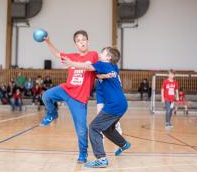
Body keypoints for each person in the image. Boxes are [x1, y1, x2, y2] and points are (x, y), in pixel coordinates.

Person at [64, 47, 131, 168]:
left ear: (108, 57)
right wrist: (101, 76)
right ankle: (124, 144)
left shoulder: (102, 64)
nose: (100, 54)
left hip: (114, 105)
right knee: (107, 129)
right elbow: (98, 75)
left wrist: (71, 63)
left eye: (103, 52)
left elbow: (89, 67)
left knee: (94, 127)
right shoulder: (113, 66)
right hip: (122, 104)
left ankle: (101, 158)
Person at [39, 30, 99, 163]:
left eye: (83, 39)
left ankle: (83, 154)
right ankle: (52, 114)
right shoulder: (71, 56)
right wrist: (48, 41)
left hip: (79, 98)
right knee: (46, 96)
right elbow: (56, 54)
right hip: (67, 89)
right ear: (75, 44)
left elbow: (90, 67)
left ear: (88, 42)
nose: (81, 42)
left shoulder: (93, 55)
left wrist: (72, 64)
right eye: (78, 40)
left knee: (82, 130)